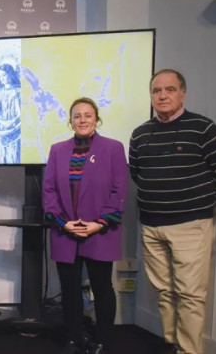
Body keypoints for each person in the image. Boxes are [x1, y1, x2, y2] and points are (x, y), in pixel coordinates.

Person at [129, 69, 216, 354]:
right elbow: (138, 173)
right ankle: (172, 343)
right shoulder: (140, 134)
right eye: (157, 90)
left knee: (190, 294)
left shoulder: (203, 128)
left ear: (182, 93)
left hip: (191, 226)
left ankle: (190, 352)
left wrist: (201, 202)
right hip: (151, 225)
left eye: (169, 90)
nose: (162, 95)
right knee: (165, 290)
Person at [43, 97, 128, 354]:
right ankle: (74, 337)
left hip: (100, 231)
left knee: (102, 287)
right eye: (77, 116)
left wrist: (99, 223)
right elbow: (49, 191)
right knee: (68, 289)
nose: (82, 120)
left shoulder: (113, 148)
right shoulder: (57, 150)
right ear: (70, 121)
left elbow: (119, 190)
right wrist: (63, 223)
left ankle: (103, 340)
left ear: (97, 119)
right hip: (65, 231)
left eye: (88, 115)